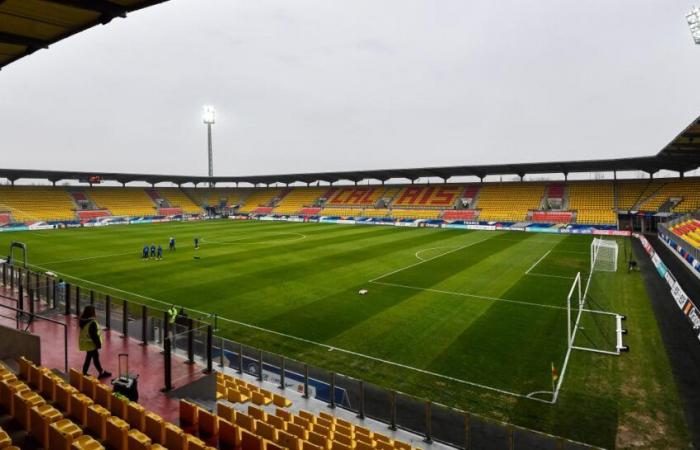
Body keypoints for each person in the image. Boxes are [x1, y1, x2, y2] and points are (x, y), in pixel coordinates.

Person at [78, 305, 111, 378]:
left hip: (87, 344)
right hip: (91, 344)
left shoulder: (83, 321)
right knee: (95, 358)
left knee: (90, 357)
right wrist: (98, 344)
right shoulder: (92, 323)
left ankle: (85, 372)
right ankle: (101, 372)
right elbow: (94, 336)